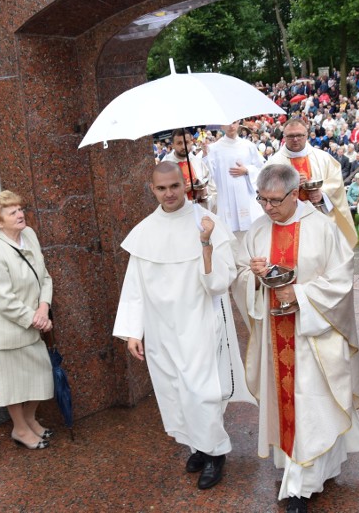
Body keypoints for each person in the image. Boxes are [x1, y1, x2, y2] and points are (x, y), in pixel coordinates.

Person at [234, 164, 359, 513]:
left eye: (275, 200)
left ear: (295, 194)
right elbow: (239, 275)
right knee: (292, 406)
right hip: (274, 337)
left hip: (313, 337)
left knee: (312, 406)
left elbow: (342, 280)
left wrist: (299, 295)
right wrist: (256, 277)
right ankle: (303, 476)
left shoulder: (322, 228)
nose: (267, 208)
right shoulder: (258, 230)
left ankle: (301, 487)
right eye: (262, 199)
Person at [113, 162, 254, 491]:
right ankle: (199, 447)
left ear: (185, 184)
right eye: (161, 188)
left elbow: (219, 282)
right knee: (174, 390)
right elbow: (134, 285)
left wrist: (205, 242)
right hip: (161, 326)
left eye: (174, 186)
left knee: (202, 390)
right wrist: (134, 330)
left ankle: (216, 452)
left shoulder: (208, 222)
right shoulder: (145, 230)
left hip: (200, 320)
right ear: (152, 189)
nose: (169, 193)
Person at [0, 190, 54, 450]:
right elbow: (2, 298)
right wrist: (35, 319)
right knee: (12, 384)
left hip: (34, 322)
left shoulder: (30, 235)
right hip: (7, 329)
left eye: (20, 208)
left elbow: (44, 276)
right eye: (12, 212)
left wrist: (44, 308)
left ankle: (31, 420)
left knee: (40, 376)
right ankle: (20, 429)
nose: (20, 214)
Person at [269, 118, 357, 247]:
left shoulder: (323, 158)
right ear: (284, 136)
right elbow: (267, 191)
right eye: (291, 136)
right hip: (289, 219)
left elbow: (336, 183)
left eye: (299, 135)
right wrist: (291, 184)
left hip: (320, 216)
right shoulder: (273, 163)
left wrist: (322, 193)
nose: (295, 139)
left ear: (307, 135)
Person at [205, 120, 266, 238]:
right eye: (227, 123)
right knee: (231, 238)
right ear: (221, 126)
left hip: (247, 198)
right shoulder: (214, 149)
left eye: (234, 122)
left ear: (239, 123)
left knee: (251, 236)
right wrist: (204, 155)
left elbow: (262, 169)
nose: (231, 126)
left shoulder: (248, 146)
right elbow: (208, 173)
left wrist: (247, 170)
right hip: (226, 200)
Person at [162, 128, 217, 212]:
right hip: (179, 213)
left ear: (191, 142)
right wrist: (180, 189)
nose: (183, 147)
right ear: (172, 145)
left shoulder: (198, 162)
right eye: (179, 143)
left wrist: (202, 190)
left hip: (200, 210)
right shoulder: (165, 166)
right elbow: (161, 191)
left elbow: (212, 188)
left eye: (186, 142)